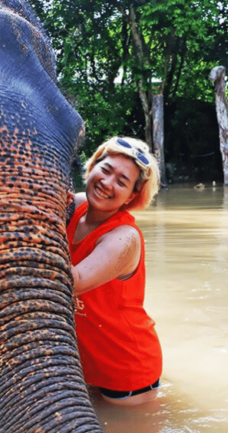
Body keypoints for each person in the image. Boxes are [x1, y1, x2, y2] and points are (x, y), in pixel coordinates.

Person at [66, 136, 162, 406]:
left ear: (132, 196)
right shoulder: (75, 206)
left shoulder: (124, 238)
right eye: (105, 170)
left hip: (127, 372)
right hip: (88, 365)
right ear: (93, 165)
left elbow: (74, 281)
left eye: (122, 182)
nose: (107, 184)